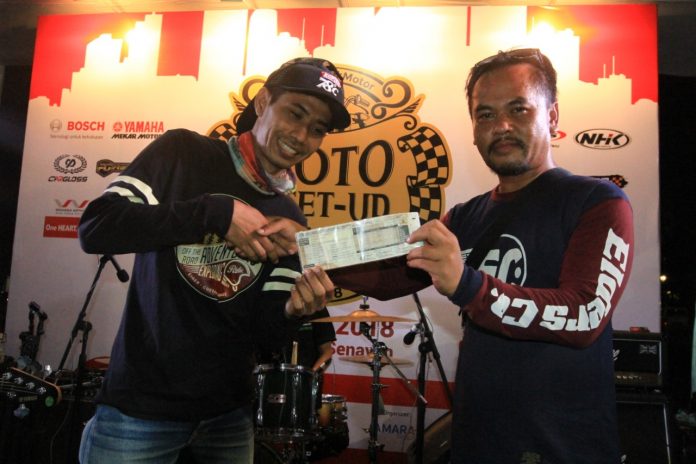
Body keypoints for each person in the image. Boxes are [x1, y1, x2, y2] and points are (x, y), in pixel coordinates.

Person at [77, 57, 351, 464]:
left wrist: (294, 311)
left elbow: (264, 333)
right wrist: (215, 213)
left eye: (317, 129)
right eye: (295, 113)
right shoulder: (183, 153)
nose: (301, 136)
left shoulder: (288, 214)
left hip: (229, 420)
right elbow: (97, 227)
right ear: (263, 102)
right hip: (140, 411)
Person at [405, 49, 634, 463]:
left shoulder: (597, 201)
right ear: (473, 129)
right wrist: (313, 256)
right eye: (485, 115)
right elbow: (392, 274)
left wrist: (468, 285)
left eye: (518, 109)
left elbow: (584, 314)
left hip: (563, 449)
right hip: (476, 444)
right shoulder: (464, 216)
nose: (502, 126)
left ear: (553, 116)